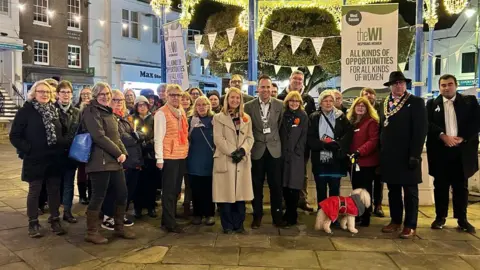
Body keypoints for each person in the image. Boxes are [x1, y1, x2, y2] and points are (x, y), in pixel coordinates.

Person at [10, 80, 67, 238]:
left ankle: (55, 219)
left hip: (54, 158)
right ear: (34, 93)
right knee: (34, 191)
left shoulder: (54, 110)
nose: (44, 94)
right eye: (40, 91)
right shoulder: (26, 111)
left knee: (54, 191)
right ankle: (33, 222)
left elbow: (62, 131)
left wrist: (62, 144)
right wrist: (29, 149)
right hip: (35, 159)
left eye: (47, 92)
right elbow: (14, 136)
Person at [82, 82, 135, 244]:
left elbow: (116, 136)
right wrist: (118, 153)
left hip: (113, 160)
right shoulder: (90, 111)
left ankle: (119, 227)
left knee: (122, 193)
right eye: (101, 94)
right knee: (98, 196)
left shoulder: (108, 111)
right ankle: (92, 232)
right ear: (95, 96)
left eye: (107, 94)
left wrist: (123, 153)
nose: (105, 96)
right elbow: (99, 136)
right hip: (99, 161)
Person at [427, 74, 479, 233]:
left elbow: (476, 122)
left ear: (455, 86)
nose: (446, 87)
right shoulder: (431, 104)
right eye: (443, 85)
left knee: (461, 187)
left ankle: (462, 220)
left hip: (461, 151)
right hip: (440, 152)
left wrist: (462, 138)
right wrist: (442, 136)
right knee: (440, 186)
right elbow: (427, 123)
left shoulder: (469, 102)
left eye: (449, 84)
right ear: (439, 87)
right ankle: (440, 217)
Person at [379, 71, 427, 239]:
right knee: (393, 191)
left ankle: (410, 224)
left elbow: (420, 130)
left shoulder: (416, 102)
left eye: (401, 83)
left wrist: (415, 154)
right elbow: (381, 129)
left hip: (408, 156)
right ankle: (395, 220)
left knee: (410, 192)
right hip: (389, 156)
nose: (398, 86)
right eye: (395, 83)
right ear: (390, 86)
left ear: (405, 85)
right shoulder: (384, 103)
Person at [244, 75, 286, 229]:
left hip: (275, 150)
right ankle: (257, 216)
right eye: (263, 87)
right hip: (257, 150)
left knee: (276, 186)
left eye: (268, 87)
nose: (266, 90)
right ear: (258, 89)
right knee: (256, 185)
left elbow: (280, 126)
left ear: (272, 89)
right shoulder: (248, 106)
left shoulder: (280, 105)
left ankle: (277, 217)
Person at [212, 87, 254, 234]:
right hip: (226, 159)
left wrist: (242, 150)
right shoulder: (218, 117)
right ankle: (227, 225)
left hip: (241, 159)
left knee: (240, 196)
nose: (235, 100)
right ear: (227, 99)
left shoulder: (246, 118)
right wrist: (232, 152)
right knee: (226, 195)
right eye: (232, 97)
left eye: (238, 98)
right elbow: (218, 138)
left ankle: (239, 223)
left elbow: (250, 138)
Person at [277, 70, 316, 212]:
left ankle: (301, 199)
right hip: (283, 147)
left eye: (300, 79)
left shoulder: (308, 99)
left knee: (302, 175)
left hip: (301, 147)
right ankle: (282, 201)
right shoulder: (280, 98)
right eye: (295, 78)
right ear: (290, 79)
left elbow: (310, 122)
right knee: (283, 174)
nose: (298, 81)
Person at [100, 90, 139, 230]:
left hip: (129, 158)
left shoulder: (125, 117)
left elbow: (132, 134)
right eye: (115, 100)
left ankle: (119, 215)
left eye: (121, 100)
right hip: (114, 158)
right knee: (112, 190)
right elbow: (120, 137)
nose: (119, 103)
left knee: (124, 191)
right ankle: (108, 216)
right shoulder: (107, 116)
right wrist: (136, 137)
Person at [307, 90, 352, 209]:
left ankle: (333, 214)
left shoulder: (341, 116)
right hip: (320, 157)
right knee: (321, 188)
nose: (328, 103)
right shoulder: (313, 117)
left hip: (336, 158)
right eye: (325, 101)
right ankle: (322, 213)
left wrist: (337, 144)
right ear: (320, 103)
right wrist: (323, 144)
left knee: (334, 188)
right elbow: (310, 137)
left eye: (331, 100)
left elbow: (348, 134)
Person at [154, 84, 189, 233]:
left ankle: (169, 217)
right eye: (173, 95)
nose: (176, 98)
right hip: (169, 156)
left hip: (181, 154)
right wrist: (159, 158)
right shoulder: (161, 113)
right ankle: (169, 223)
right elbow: (158, 137)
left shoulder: (180, 111)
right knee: (168, 191)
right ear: (167, 96)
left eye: (178, 95)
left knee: (175, 190)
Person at [347, 97, 380, 227]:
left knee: (365, 192)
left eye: (363, 106)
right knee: (356, 190)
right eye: (358, 105)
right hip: (353, 163)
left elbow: (373, 141)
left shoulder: (372, 122)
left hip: (366, 163)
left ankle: (366, 216)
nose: (360, 108)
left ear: (368, 108)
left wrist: (359, 151)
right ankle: (358, 214)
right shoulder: (352, 122)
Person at [279, 91, 308, 226]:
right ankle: (286, 213)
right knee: (284, 185)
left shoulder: (303, 116)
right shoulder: (283, 115)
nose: (294, 103)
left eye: (297, 101)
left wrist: (297, 151)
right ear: (287, 102)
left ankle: (292, 214)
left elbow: (304, 136)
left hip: (296, 156)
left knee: (295, 186)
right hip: (283, 155)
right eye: (292, 101)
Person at [188, 96, 216, 226]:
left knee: (209, 189)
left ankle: (209, 214)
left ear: (209, 106)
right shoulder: (191, 121)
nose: (201, 107)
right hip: (194, 160)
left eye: (204, 104)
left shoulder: (214, 120)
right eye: (198, 104)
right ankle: (197, 214)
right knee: (196, 189)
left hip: (210, 159)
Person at [55, 80, 80, 224]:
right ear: (57, 94)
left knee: (69, 183)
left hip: (71, 154)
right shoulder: (52, 109)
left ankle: (67, 211)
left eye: (68, 92)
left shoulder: (77, 112)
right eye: (63, 92)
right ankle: (54, 211)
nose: (66, 95)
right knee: (55, 184)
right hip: (55, 154)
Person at [360, 87, 385, 217]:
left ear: (375, 96)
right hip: (365, 152)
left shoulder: (382, 109)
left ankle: (378, 205)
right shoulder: (360, 111)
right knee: (366, 182)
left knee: (379, 180)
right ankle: (366, 207)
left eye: (371, 94)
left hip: (380, 150)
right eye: (365, 94)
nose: (368, 96)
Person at [132, 96, 158, 219]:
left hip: (150, 155)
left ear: (148, 106)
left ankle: (150, 206)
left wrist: (149, 143)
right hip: (137, 155)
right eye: (139, 105)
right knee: (138, 182)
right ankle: (138, 207)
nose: (142, 107)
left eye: (144, 105)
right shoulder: (132, 119)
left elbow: (157, 134)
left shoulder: (153, 119)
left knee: (151, 182)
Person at [76, 86, 92, 205]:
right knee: (82, 170)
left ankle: (91, 194)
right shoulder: (76, 109)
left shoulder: (95, 108)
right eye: (83, 94)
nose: (86, 96)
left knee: (92, 170)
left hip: (94, 142)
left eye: (88, 94)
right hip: (82, 142)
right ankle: (82, 195)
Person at [180, 91, 194, 216]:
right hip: (178, 152)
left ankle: (187, 203)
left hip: (191, 153)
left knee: (189, 181)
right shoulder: (175, 113)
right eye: (182, 99)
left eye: (187, 99)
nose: (185, 101)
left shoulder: (193, 116)